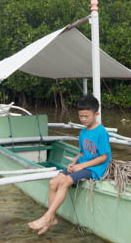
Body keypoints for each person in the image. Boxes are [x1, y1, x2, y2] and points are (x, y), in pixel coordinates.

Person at [27, 94, 110, 235]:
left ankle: (47, 216)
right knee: (53, 182)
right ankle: (52, 218)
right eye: (81, 116)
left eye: (86, 116)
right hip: (82, 165)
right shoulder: (83, 132)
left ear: (96, 114)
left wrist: (81, 166)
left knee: (64, 181)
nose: (83, 119)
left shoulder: (101, 132)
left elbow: (104, 157)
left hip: (94, 169)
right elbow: (82, 153)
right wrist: (73, 163)